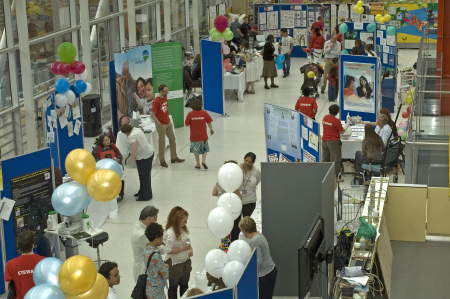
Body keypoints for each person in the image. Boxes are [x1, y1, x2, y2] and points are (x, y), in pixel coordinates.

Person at [239, 217, 277, 299]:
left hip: (265, 275)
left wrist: (247, 273)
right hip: (269, 272)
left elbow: (258, 262)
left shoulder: (255, 241)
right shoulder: (258, 235)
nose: (242, 233)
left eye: (242, 230)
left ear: (245, 231)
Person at [152, 84, 185, 168]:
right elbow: (152, 114)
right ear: (161, 91)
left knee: (172, 138)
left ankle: (174, 157)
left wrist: (167, 117)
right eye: (166, 91)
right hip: (161, 124)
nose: (167, 92)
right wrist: (158, 122)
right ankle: (162, 160)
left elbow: (165, 109)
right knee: (162, 142)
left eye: (167, 91)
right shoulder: (156, 101)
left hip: (168, 121)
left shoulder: (165, 97)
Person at [5, 231, 45, 299]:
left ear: (18, 246)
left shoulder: (10, 264)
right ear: (33, 244)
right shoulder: (44, 261)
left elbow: (8, 289)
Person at [120, 124, 154, 201]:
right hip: (148, 153)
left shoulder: (132, 136)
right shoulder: (136, 129)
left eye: (125, 133)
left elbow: (134, 151)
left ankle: (146, 196)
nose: (125, 135)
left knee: (144, 177)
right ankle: (142, 191)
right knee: (144, 176)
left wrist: (129, 161)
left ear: (127, 132)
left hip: (144, 157)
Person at [164, 207, 193, 299]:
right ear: (177, 220)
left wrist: (190, 248)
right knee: (173, 287)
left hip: (185, 263)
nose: (186, 223)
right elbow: (168, 250)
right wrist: (184, 248)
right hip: (175, 265)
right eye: (184, 221)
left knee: (184, 286)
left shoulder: (183, 228)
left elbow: (187, 240)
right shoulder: (170, 233)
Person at [92, 134, 124, 201]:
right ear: (101, 142)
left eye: (108, 139)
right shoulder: (97, 149)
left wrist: (118, 159)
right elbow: (94, 160)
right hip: (104, 170)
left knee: (120, 179)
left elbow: (120, 156)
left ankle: (120, 193)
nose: (108, 141)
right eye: (106, 140)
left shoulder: (113, 147)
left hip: (115, 167)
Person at [185, 97, 214, 170]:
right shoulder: (204, 113)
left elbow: (186, 124)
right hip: (203, 136)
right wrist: (211, 129)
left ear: (192, 106)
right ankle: (203, 161)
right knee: (205, 149)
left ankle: (198, 164)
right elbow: (209, 122)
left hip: (194, 137)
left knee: (196, 150)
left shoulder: (190, 114)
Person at [131, 205, 159, 280]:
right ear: (148, 218)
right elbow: (156, 249)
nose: (156, 221)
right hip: (143, 270)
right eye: (155, 218)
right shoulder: (141, 235)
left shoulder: (140, 223)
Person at [144, 223, 169, 299]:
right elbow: (165, 274)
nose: (162, 239)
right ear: (157, 238)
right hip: (157, 291)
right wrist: (167, 265)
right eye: (161, 237)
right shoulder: (156, 256)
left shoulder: (146, 247)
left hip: (149, 286)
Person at [322, 104, 346, 177]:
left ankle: (325, 175)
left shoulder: (325, 117)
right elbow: (342, 131)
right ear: (337, 112)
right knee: (335, 159)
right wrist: (346, 125)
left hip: (324, 141)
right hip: (333, 142)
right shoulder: (336, 121)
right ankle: (336, 176)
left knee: (325, 158)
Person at [239, 152, 261, 218]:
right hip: (238, 200)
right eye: (246, 160)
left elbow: (256, 182)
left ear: (253, 163)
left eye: (250, 162)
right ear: (244, 159)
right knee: (236, 225)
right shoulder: (237, 169)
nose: (247, 163)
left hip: (250, 201)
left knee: (246, 224)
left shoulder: (256, 172)